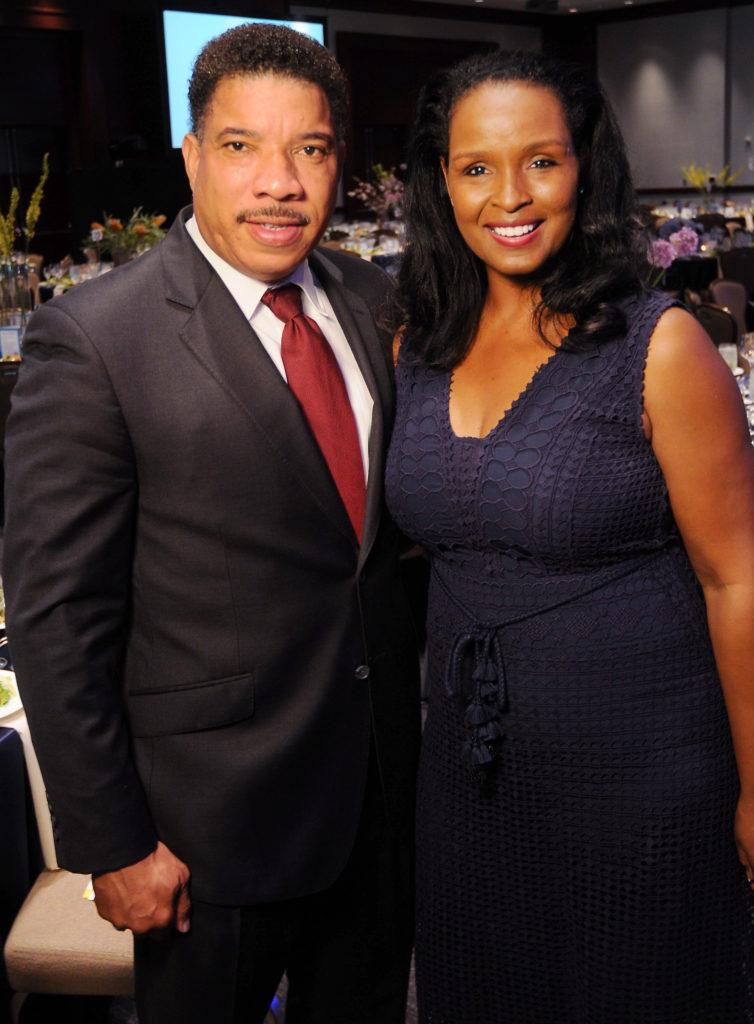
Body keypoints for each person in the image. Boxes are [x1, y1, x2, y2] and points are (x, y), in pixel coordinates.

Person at [3, 24, 421, 1024]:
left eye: (309, 150)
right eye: (242, 146)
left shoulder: (375, 300)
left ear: (336, 161)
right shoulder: (98, 337)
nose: (279, 181)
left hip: (381, 800)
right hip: (203, 833)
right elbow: (59, 615)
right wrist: (110, 842)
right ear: (193, 157)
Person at [385, 48, 754, 1023]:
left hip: (641, 783)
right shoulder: (413, 345)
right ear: (440, 182)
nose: (510, 194)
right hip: (470, 781)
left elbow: (737, 580)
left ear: (582, 168)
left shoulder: (659, 345)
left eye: (540, 160)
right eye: (476, 166)